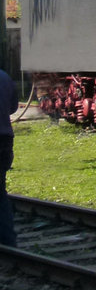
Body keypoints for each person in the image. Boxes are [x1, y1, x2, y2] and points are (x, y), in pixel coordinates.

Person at [0, 66, 16, 247]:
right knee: (0, 194)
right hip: (4, 140)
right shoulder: (5, 77)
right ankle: (8, 242)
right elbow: (12, 107)